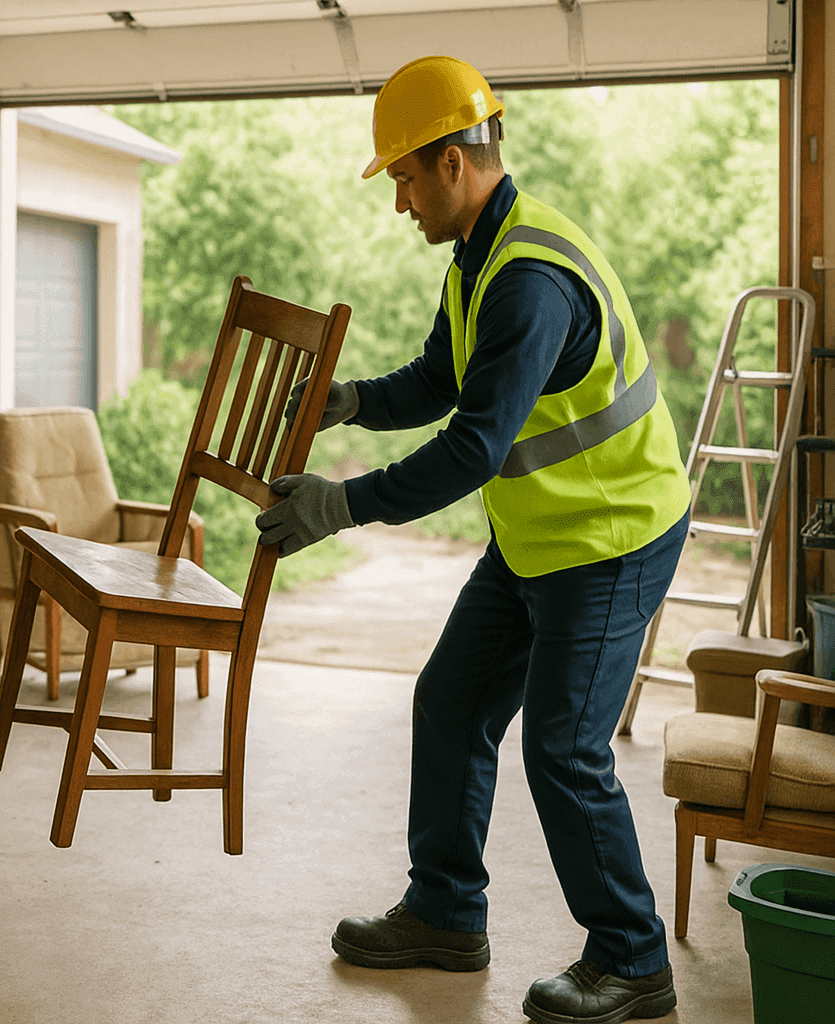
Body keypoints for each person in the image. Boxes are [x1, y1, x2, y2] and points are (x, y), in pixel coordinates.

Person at [256, 56, 690, 1024]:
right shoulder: (482, 255)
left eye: (405, 177)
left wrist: (341, 504)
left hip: (611, 535)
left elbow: (473, 447)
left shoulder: (528, 276)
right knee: (451, 702)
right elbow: (447, 376)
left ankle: (632, 959)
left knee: (565, 748)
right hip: (546, 534)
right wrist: (357, 401)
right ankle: (447, 916)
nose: (399, 200)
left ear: (454, 161)